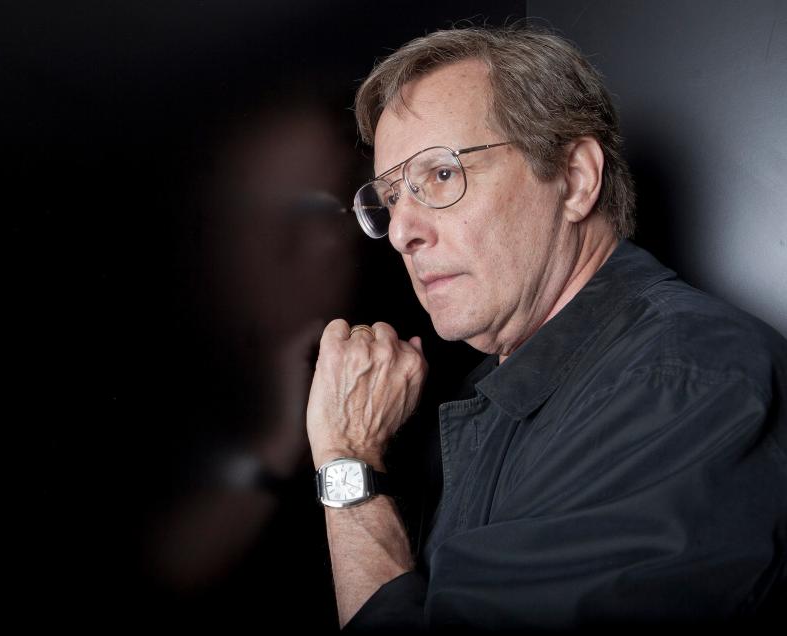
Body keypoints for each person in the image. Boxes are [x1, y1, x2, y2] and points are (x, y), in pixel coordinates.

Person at [305, 24, 787, 632]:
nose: (402, 230)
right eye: (391, 197)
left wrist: (348, 462)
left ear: (576, 178)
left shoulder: (683, 382)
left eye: (441, 175)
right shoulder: (511, 387)